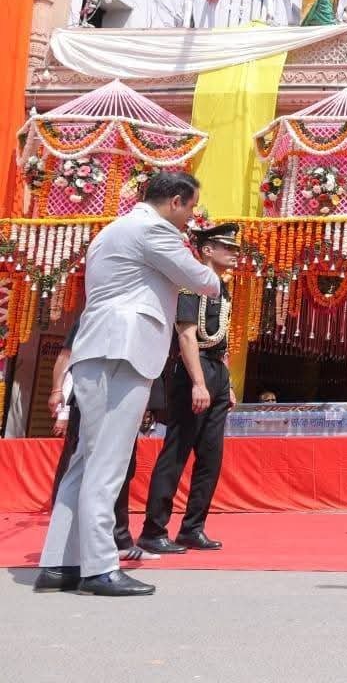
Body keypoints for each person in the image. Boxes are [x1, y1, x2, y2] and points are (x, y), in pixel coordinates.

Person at [35, 171, 222, 597]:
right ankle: (99, 567)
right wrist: (203, 258)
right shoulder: (153, 230)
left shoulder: (115, 229)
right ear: (175, 201)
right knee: (108, 463)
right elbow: (205, 282)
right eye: (191, 207)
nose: (191, 216)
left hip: (101, 347)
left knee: (86, 461)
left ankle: (60, 562)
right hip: (122, 348)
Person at [137, 223, 242, 555]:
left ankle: (192, 528)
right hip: (190, 369)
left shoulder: (221, 289)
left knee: (211, 456)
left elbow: (219, 341)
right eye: (229, 247)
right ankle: (153, 530)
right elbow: (186, 336)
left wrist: (226, 383)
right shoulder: (190, 285)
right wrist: (198, 382)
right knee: (177, 451)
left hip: (215, 370)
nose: (235, 253)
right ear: (208, 250)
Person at [48, 319, 159, 565]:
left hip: (121, 406)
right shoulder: (92, 316)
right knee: (82, 469)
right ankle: (67, 546)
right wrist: (57, 390)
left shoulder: (133, 321)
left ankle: (119, 541)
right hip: (89, 402)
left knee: (121, 470)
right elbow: (66, 356)